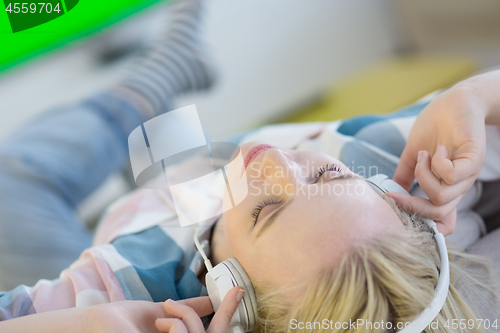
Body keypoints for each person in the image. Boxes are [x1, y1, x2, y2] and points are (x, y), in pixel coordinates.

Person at [1, 0, 500, 331]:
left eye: (267, 210)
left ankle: (154, 81)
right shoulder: (396, 163)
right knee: (185, 165)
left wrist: (98, 323)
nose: (274, 164)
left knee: (13, 182)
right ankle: (166, 78)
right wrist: (474, 95)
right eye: (328, 174)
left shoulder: (135, 287)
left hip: (143, 229)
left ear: (229, 293)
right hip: (191, 193)